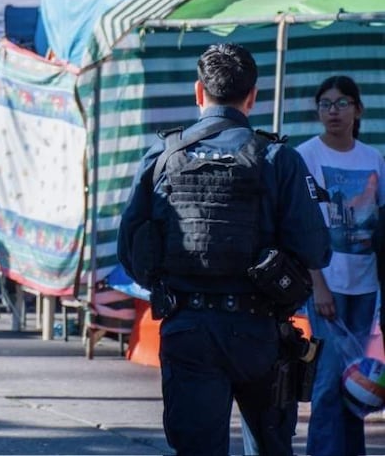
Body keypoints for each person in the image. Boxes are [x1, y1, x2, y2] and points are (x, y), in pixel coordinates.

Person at [116, 43, 331, 456]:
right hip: (260, 332)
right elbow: (316, 250)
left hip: (187, 326)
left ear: (199, 92)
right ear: (252, 96)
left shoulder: (161, 156)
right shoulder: (277, 158)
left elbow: (132, 252)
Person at [296, 75, 385, 456]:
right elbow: (302, 225)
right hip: (327, 285)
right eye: (326, 104)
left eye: (342, 103)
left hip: (366, 287)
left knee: (359, 386)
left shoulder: (373, 158)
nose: (333, 111)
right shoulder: (306, 155)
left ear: (358, 110)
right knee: (329, 384)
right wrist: (317, 284)